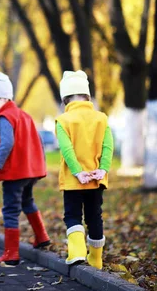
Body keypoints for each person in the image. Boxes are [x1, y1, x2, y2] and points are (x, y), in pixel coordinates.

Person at [0, 71, 50, 266]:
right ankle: (42, 236)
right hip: (30, 172)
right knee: (27, 201)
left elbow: (7, 143)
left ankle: (11, 254)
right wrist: (38, 166)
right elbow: (38, 142)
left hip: (15, 173)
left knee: (10, 210)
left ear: (4, 98)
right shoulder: (23, 115)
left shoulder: (4, 117)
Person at [55, 70, 113, 269]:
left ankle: (77, 252)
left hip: (74, 180)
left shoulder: (63, 120)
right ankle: (96, 259)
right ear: (87, 96)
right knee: (94, 215)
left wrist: (77, 171)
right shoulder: (101, 118)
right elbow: (108, 146)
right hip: (96, 178)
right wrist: (103, 169)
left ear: (65, 99)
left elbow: (66, 149)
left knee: (72, 215)